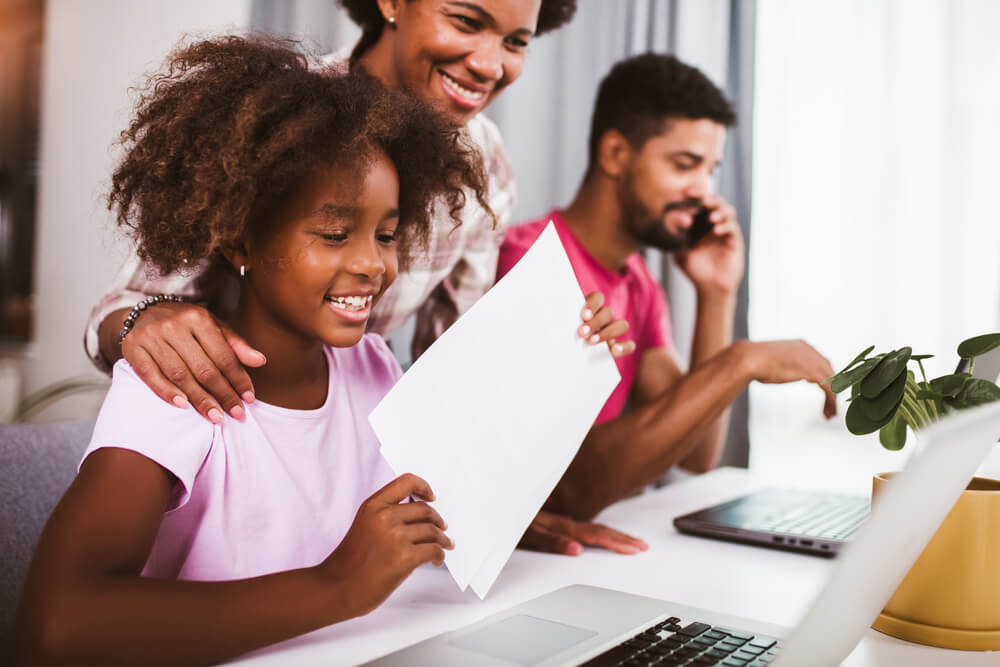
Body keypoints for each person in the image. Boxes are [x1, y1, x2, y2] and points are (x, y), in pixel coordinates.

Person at [80, 0, 647, 557]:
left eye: (515, 42)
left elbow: (450, 373)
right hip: (226, 443)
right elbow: (122, 306)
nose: (489, 64)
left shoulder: (484, 165)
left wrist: (555, 360)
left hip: (344, 463)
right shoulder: (274, 115)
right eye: (466, 21)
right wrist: (140, 321)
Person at [15, 37, 502, 664]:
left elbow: (452, 502)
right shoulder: (177, 384)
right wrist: (337, 586)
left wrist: (570, 350)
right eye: (333, 233)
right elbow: (53, 627)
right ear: (240, 241)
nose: (371, 264)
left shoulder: (373, 367)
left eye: (386, 234)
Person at [498, 53, 839, 521]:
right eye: (685, 164)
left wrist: (717, 293)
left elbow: (696, 454)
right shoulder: (528, 262)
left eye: (710, 170)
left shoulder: (639, 285)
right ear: (615, 154)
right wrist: (743, 360)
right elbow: (573, 487)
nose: (703, 189)